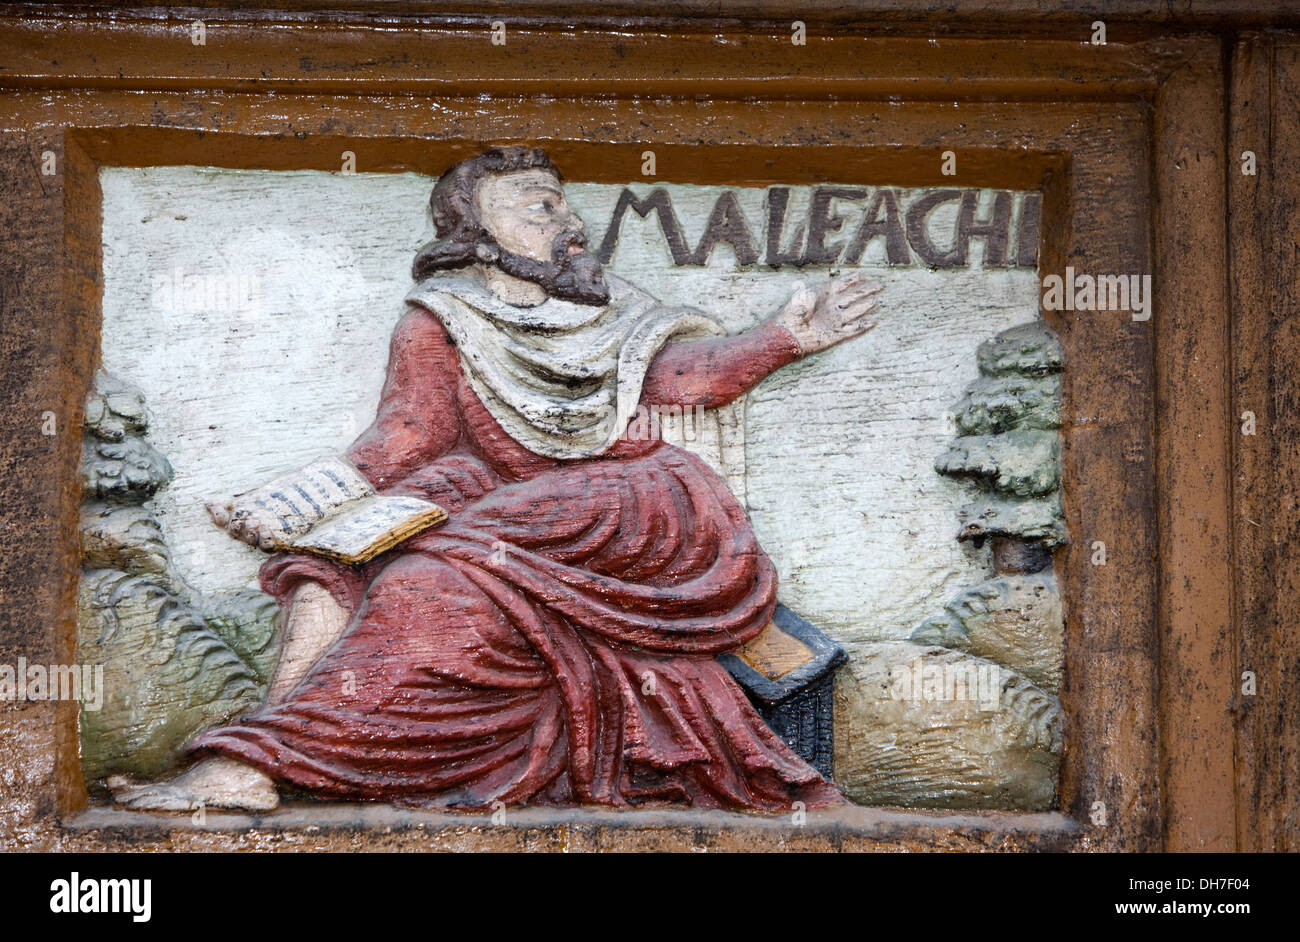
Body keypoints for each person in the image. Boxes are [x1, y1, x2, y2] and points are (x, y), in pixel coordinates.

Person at [111, 146, 881, 812]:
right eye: (539, 209)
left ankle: (260, 759)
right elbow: (405, 437)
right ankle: (257, 760)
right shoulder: (437, 320)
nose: (567, 223)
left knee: (429, 580)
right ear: (478, 237)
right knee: (324, 571)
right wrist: (296, 501)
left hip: (632, 499)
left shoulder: (617, 311)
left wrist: (783, 339)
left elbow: (683, 379)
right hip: (506, 499)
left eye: (565, 207)